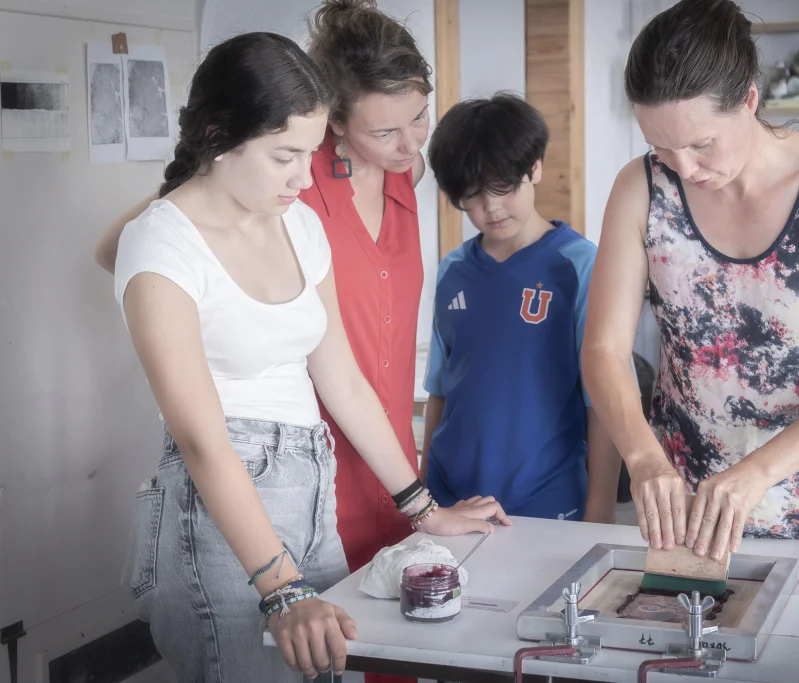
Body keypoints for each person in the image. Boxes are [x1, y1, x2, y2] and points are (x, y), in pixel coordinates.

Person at [114, 32, 505, 682]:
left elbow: (342, 381)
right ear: (218, 136)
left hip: (311, 494)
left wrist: (424, 509)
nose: (305, 176)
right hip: (216, 515)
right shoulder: (161, 246)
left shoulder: (298, 224)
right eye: (285, 156)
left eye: (309, 151)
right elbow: (203, 441)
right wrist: (280, 587)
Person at [97, 0, 444, 576]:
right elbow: (149, 234)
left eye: (420, 119)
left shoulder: (372, 187)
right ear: (338, 122)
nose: (410, 145)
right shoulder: (267, 188)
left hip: (359, 456)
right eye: (385, 130)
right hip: (266, 469)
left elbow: (345, 378)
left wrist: (423, 506)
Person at [581, 0, 799, 558]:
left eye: (701, 144)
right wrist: (644, 458)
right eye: (660, 147)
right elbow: (603, 349)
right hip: (698, 509)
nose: (684, 168)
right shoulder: (641, 190)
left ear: (749, 99)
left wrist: (756, 473)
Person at [421, 93, 621, 524]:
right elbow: (439, 390)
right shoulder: (452, 269)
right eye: (473, 195)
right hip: (450, 496)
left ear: (535, 168)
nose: (491, 207)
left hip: (546, 499)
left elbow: (603, 401)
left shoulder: (580, 265)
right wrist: (423, 494)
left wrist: (600, 511)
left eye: (504, 187)